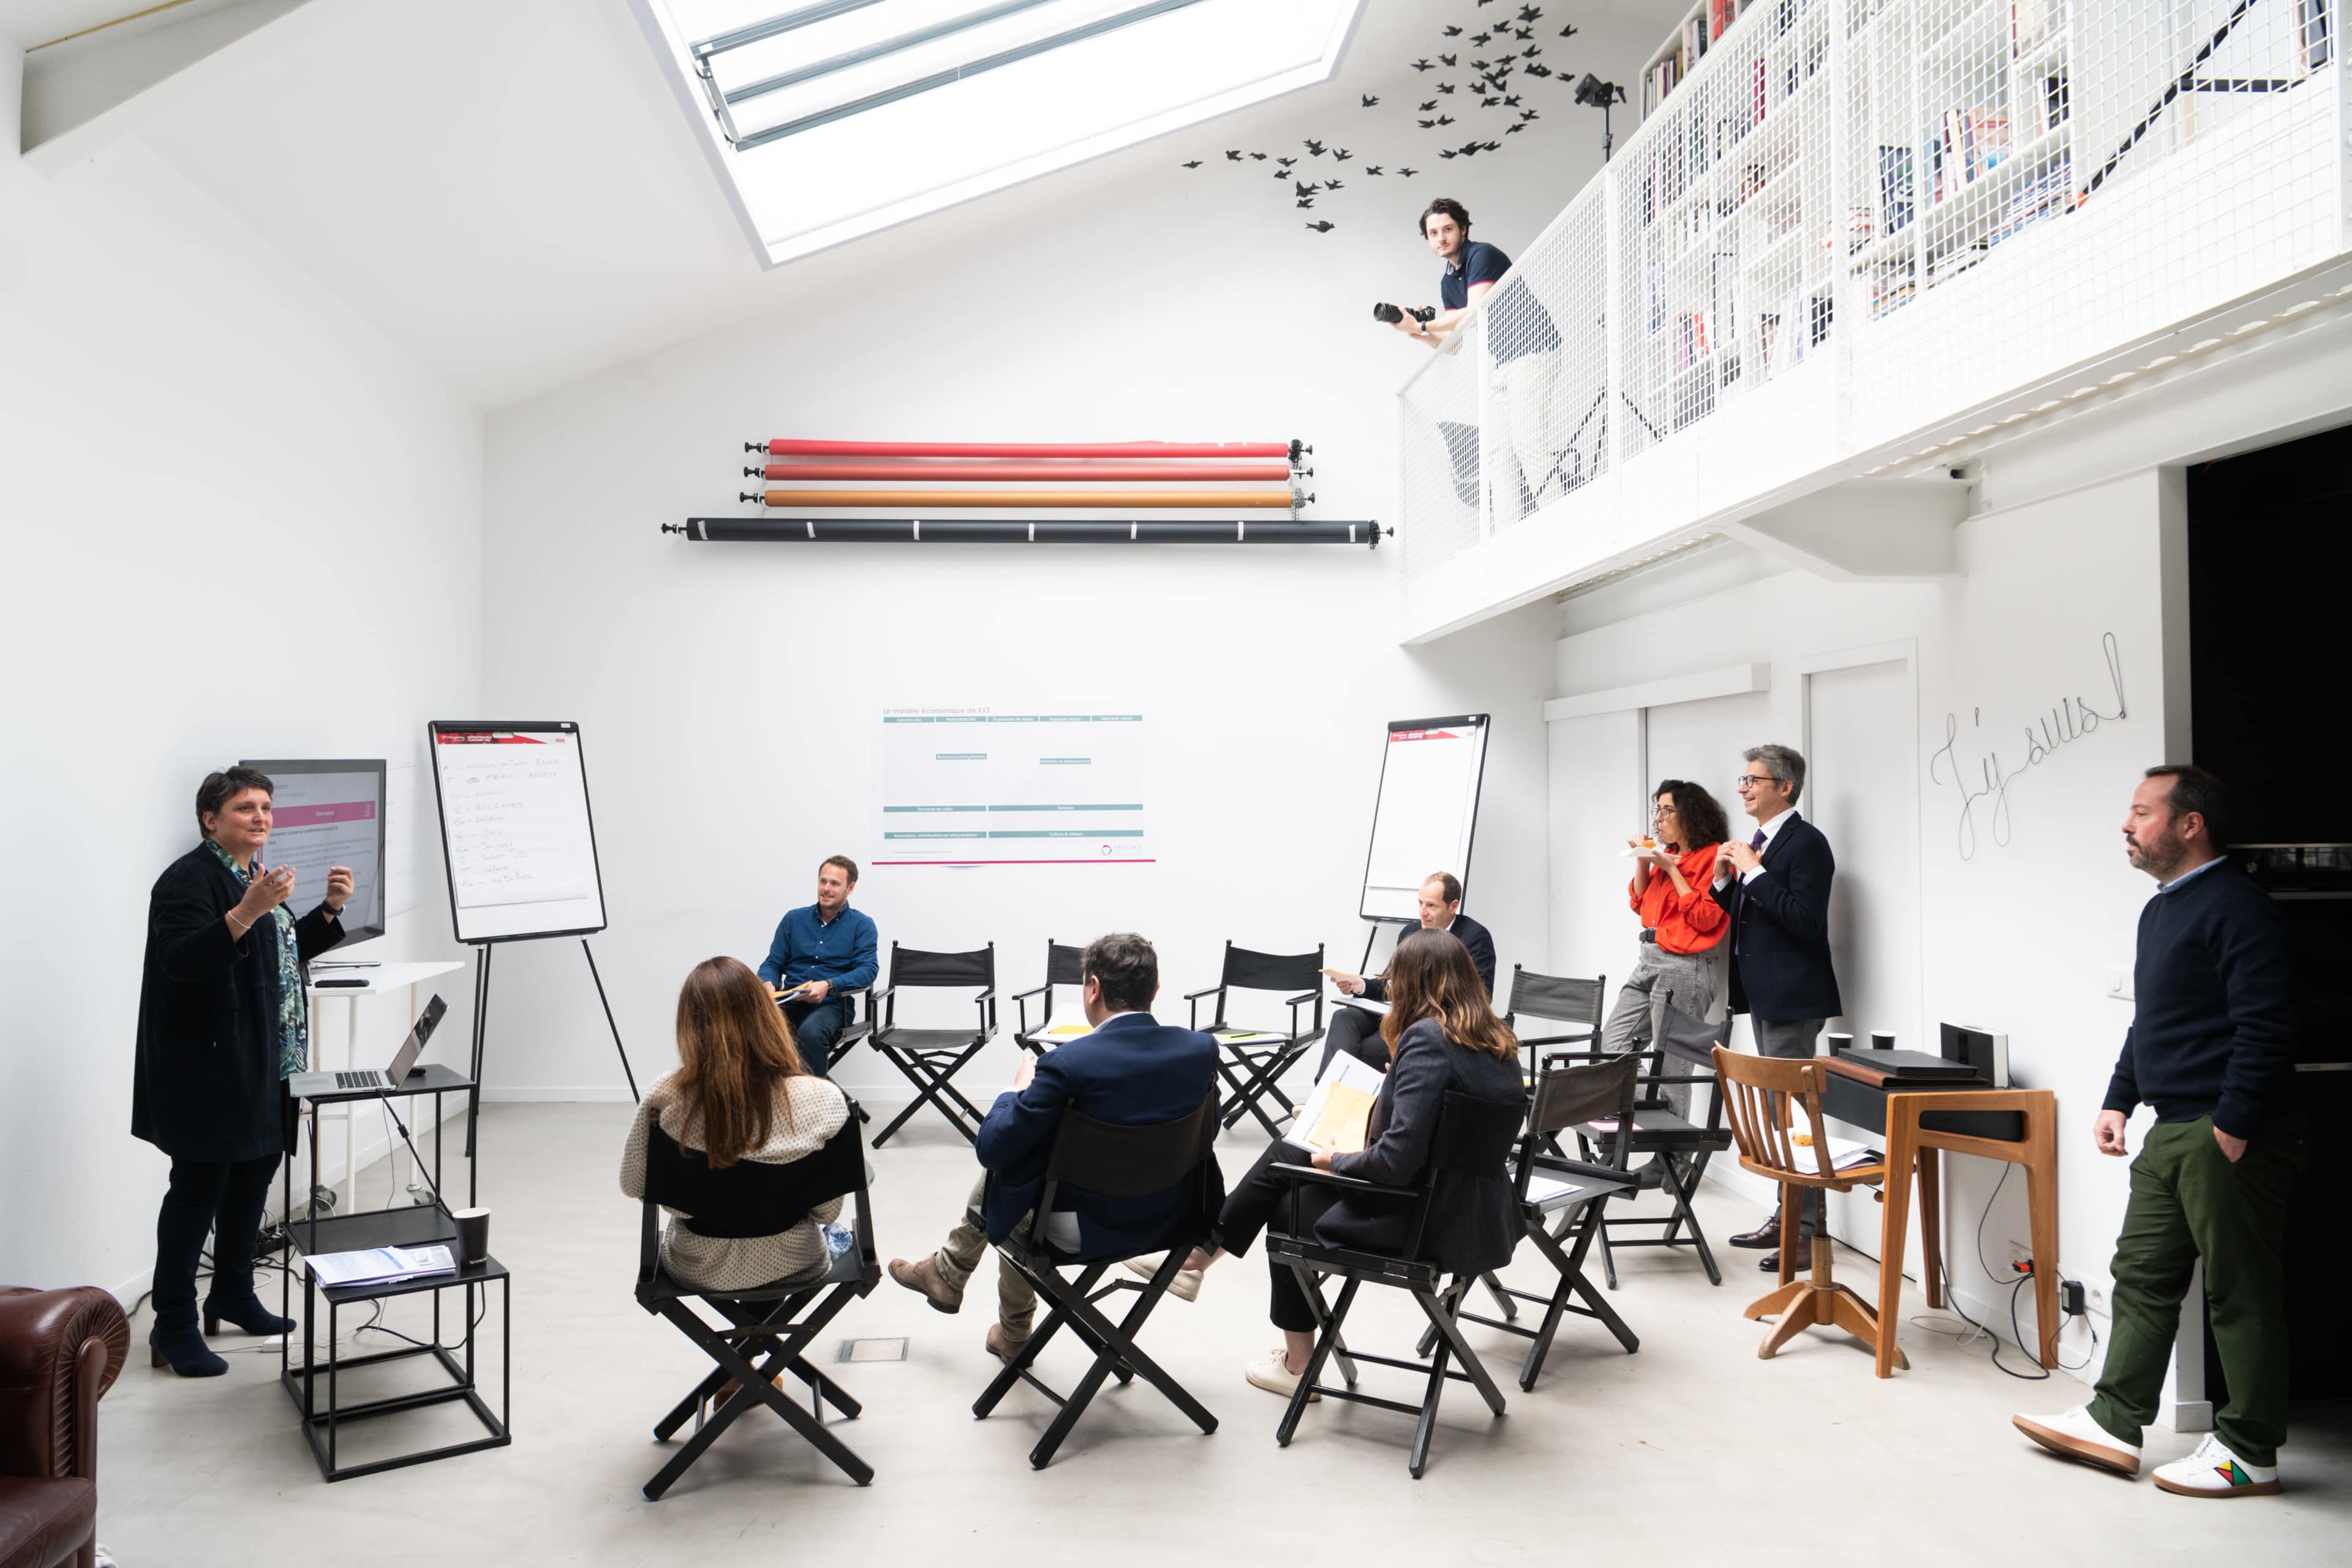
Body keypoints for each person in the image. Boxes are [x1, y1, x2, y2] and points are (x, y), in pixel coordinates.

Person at [2015, 765, 2304, 1499]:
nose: (2126, 825)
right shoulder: (2162, 909)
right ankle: (2115, 1419)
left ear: (2189, 824)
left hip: (2224, 1133)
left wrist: (2233, 1126)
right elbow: (2156, 1020)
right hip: (2172, 1128)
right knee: (2141, 1277)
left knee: (2239, 1292)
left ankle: (2249, 1451)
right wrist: (2120, 1097)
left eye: (2142, 812)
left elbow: (2268, 1026)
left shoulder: (2239, 907)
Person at [1188, 927, 1526, 1398]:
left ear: (1415, 983)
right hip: (1476, 1214)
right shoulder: (1496, 1039)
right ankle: (1202, 1260)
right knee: (1292, 1155)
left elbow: (1394, 1164)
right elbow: (1444, 1126)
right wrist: (1394, 1090)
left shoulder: (1427, 1039)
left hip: (1423, 1221)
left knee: (1289, 1200)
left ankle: (1285, 1351)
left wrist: (1337, 1160)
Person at [885, 933, 1221, 1362]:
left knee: (1016, 1184)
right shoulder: (1200, 1049)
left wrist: (1014, 1091)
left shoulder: (1068, 1063)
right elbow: (1206, 1131)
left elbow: (991, 1148)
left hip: (1085, 1231)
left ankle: (988, 1308)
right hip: (1172, 1218)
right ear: (1155, 990)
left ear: (1094, 988)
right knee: (1027, 1178)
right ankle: (960, 1287)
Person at [133, 767, 353, 1377]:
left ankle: (231, 1292)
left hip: (264, 1061)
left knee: (255, 1172)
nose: (261, 817)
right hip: (208, 1068)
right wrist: (248, 910)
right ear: (211, 818)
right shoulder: (186, 881)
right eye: (245, 808)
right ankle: (172, 1325)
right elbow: (182, 959)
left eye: (266, 808)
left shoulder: (251, 877)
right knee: (197, 1191)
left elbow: (275, 953)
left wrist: (328, 911)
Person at [620, 957, 852, 1291]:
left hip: (698, 1266)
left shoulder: (666, 1096)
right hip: (796, 1261)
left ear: (689, 1024)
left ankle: (751, 1343)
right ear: (767, 1013)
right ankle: (770, 1341)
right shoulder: (824, 1099)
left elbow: (634, 1184)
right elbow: (827, 1212)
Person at [1711, 744, 1841, 1271]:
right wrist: (1727, 878)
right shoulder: (1760, 842)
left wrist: (1755, 872)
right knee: (1776, 1117)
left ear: (1784, 787)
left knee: (1795, 1120)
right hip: (1764, 995)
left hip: (1793, 997)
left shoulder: (1807, 843)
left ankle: (1810, 1230)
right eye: (1742, 779)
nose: (1742, 787)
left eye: (1753, 779)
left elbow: (1805, 920)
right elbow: (1748, 914)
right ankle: (1787, 1215)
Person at [1389, 197, 1562, 524]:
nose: (1440, 237)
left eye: (1447, 229)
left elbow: (1474, 313)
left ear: (1463, 229)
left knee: (1528, 442)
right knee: (1497, 451)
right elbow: (1454, 345)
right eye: (1433, 233)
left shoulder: (1482, 255)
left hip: (1535, 350)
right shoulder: (1448, 280)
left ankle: (1556, 518)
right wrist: (1416, 332)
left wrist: (1424, 324)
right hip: (1504, 363)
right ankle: (1511, 531)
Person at [1601, 780, 1732, 1120]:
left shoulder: (1713, 857)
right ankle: (1658, 1114)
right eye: (1656, 809)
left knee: (1672, 1070)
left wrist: (1672, 870)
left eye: (1667, 810)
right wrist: (1644, 860)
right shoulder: (1668, 853)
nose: (1658, 818)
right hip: (1650, 959)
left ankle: (1672, 1165)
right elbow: (1641, 906)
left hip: (1686, 967)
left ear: (1690, 815)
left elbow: (1706, 919)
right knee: (1611, 1048)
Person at [1322, 871, 1496, 1075]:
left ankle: (1340, 1098)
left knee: (1360, 1050)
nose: (1423, 912)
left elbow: (1482, 995)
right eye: (1420, 903)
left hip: (1436, 1023)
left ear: (1453, 906)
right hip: (1402, 1016)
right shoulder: (1410, 933)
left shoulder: (1474, 937)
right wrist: (1360, 986)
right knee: (1345, 1017)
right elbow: (1394, 984)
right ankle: (1325, 1098)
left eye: (1431, 905)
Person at [755, 854, 878, 1077]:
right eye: (823, 881)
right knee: (751, 1028)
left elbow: (868, 971)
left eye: (835, 884)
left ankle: (813, 1105)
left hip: (832, 1005)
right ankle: (766, 1100)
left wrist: (829, 985)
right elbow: (773, 962)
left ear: (850, 888)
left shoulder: (862, 925)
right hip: (788, 1000)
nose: (827, 889)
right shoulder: (793, 919)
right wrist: (768, 982)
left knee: (810, 1033)